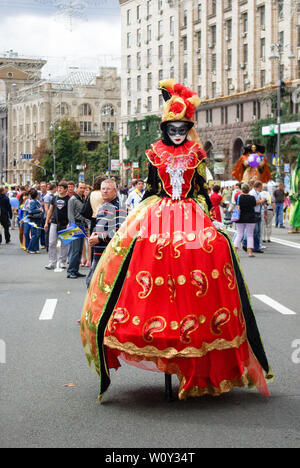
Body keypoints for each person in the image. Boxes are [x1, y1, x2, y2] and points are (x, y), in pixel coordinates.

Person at [80, 79, 272, 402]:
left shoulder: (196, 153)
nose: (179, 132)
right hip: (159, 211)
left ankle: (199, 347)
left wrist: (207, 214)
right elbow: (153, 189)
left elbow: (198, 188)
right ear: (165, 127)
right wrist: (144, 215)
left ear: (188, 126)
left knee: (216, 247)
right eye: (174, 127)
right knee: (142, 255)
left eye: (184, 126)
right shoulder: (154, 153)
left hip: (190, 212)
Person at [86, 179, 127, 287]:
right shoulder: (103, 205)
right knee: (92, 284)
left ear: (115, 190)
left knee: (100, 286)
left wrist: (99, 238)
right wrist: (94, 234)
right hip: (98, 252)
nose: (105, 191)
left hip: (110, 254)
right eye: (103, 189)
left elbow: (120, 230)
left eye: (108, 189)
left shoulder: (119, 206)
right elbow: (99, 226)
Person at [233, 183, 265, 257]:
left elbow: (238, 206)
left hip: (240, 218)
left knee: (239, 234)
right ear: (249, 189)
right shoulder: (252, 198)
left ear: (242, 189)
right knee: (250, 235)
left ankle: (234, 251)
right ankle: (250, 252)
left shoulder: (239, 197)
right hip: (250, 218)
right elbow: (254, 204)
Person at [44, 181, 70, 270]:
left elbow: (70, 213)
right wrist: (46, 222)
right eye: (58, 187)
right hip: (54, 223)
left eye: (61, 188)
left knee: (64, 244)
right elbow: (50, 211)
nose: (59, 189)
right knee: (51, 243)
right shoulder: (54, 198)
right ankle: (52, 262)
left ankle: (62, 262)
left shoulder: (69, 199)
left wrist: (69, 223)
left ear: (66, 189)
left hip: (65, 224)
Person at [67, 182, 87, 279]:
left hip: (82, 225)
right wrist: (72, 226)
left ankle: (75, 270)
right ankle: (70, 271)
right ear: (76, 188)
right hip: (75, 225)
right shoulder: (73, 199)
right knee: (75, 250)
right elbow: (70, 214)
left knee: (79, 250)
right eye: (81, 188)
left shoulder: (83, 199)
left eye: (84, 188)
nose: (82, 189)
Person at [27, 189, 43, 254]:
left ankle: (36, 249)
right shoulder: (33, 202)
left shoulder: (35, 201)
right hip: (35, 220)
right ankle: (30, 248)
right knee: (35, 234)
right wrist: (39, 210)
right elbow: (30, 211)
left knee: (37, 234)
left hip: (37, 219)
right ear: (36, 195)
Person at [288, 153, 300, 234]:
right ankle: (296, 228)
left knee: (294, 211)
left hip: (295, 196)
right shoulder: (296, 173)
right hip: (295, 196)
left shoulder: (296, 172)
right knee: (294, 211)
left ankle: (295, 228)